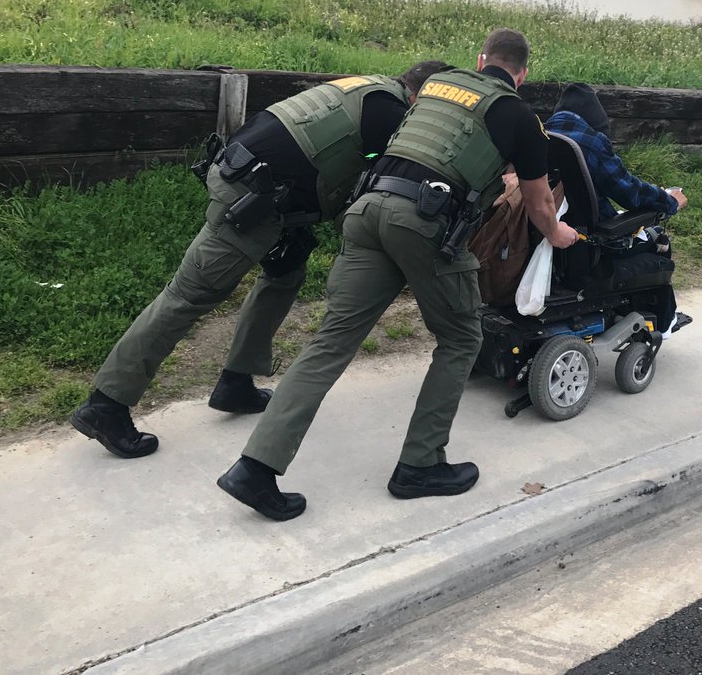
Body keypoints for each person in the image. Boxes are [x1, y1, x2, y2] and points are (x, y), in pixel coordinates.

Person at [217, 28, 579, 521]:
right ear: (522, 74)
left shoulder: (437, 86)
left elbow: (433, 147)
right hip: (423, 221)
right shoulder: (519, 115)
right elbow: (538, 204)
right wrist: (560, 236)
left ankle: (254, 468)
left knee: (331, 342)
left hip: (367, 210)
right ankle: (420, 465)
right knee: (459, 338)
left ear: (480, 60)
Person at [69, 61, 449, 459]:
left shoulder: (370, 88)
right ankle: (106, 404)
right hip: (249, 197)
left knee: (285, 271)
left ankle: (236, 382)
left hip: (261, 185)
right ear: (420, 95)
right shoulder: (390, 113)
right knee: (188, 294)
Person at [544, 82, 687, 335]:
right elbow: (631, 192)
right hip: (595, 244)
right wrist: (670, 200)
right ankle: (664, 321)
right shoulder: (591, 142)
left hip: (553, 238)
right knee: (656, 239)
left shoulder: (543, 134)